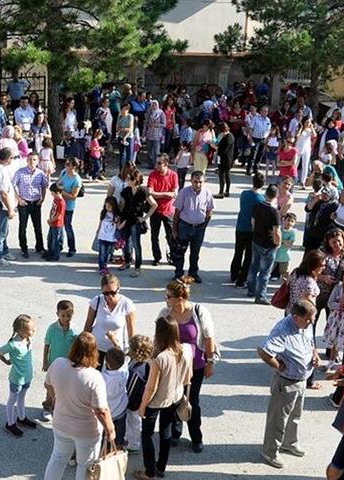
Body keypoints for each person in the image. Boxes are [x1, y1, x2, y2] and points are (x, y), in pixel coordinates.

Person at [42, 332, 115, 480]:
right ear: (94, 352)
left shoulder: (58, 363)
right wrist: (110, 430)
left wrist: (57, 399)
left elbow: (47, 385)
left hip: (61, 423)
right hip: (86, 431)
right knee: (85, 465)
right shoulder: (94, 377)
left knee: (58, 458)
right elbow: (101, 410)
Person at [258, 299, 319, 469]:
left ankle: (289, 443)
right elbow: (263, 351)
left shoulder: (306, 324)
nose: (311, 322)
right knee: (278, 419)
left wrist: (315, 355)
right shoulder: (282, 330)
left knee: (295, 416)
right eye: (308, 319)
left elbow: (310, 342)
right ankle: (270, 451)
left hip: (302, 380)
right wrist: (278, 366)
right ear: (295, 316)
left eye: (312, 318)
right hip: (286, 382)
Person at [159, 278, 217, 453]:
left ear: (180, 297)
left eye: (168, 296)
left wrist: (210, 362)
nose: (165, 299)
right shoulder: (165, 313)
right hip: (173, 366)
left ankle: (196, 436)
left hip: (196, 366)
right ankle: (175, 433)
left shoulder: (199, 312)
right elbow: (159, 337)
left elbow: (208, 338)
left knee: (192, 401)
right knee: (174, 399)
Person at [134, 316, 194, 480]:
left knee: (147, 435)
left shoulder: (159, 358)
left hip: (156, 401)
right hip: (174, 397)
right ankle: (161, 467)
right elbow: (188, 377)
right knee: (165, 431)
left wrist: (142, 407)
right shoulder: (186, 350)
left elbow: (151, 387)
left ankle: (149, 472)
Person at [0, 314, 36, 437]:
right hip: (17, 379)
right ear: (21, 331)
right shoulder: (13, 344)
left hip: (27, 376)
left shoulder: (28, 340)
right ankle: (10, 423)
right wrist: (7, 361)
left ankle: (21, 418)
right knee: (12, 401)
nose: (34, 330)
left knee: (22, 398)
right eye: (31, 329)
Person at [83, 274, 137, 366]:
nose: (109, 296)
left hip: (117, 350)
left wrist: (133, 352)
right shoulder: (97, 301)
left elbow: (131, 331)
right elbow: (87, 327)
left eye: (113, 293)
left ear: (118, 289)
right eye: (106, 293)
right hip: (97, 349)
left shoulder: (127, 304)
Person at [172, 170, 214, 283]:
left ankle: (193, 273)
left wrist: (204, 225)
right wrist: (174, 229)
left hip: (199, 228)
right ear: (191, 181)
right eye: (195, 182)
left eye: (200, 182)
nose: (198, 184)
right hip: (184, 227)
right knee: (180, 252)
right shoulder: (184, 193)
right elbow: (177, 212)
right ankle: (179, 274)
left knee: (195, 253)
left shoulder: (207, 193)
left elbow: (210, 210)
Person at [42, 300, 77, 419]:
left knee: (65, 387)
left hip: (68, 364)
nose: (66, 318)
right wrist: (45, 362)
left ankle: (60, 409)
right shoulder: (52, 328)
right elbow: (47, 345)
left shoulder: (74, 330)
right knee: (51, 386)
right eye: (63, 315)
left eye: (69, 316)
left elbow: (77, 346)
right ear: (57, 314)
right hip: (53, 364)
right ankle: (47, 407)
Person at [231, 172, 265, 287]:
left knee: (238, 252)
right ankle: (242, 278)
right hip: (252, 230)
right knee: (249, 256)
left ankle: (234, 274)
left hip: (240, 226)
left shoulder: (244, 194)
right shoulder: (261, 199)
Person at [249, 184, 281, 304]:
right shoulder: (274, 212)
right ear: (276, 196)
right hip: (268, 244)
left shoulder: (257, 206)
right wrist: (277, 243)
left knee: (254, 266)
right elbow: (276, 231)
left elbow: (253, 222)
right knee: (265, 271)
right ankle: (260, 296)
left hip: (257, 239)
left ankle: (251, 289)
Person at [13, 153, 48, 259]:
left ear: (38, 161)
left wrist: (42, 199)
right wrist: (18, 199)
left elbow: (44, 186)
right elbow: (13, 185)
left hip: (36, 202)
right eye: (30, 159)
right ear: (26, 160)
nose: (32, 162)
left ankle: (40, 247)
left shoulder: (40, 173)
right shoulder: (20, 172)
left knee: (37, 226)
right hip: (24, 203)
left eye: (34, 160)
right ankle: (24, 248)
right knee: (23, 226)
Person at [147, 154, 179, 267]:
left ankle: (173, 257)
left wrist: (158, 194)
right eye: (157, 163)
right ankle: (156, 257)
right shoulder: (152, 175)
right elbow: (150, 193)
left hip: (169, 211)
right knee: (154, 236)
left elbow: (174, 194)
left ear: (166, 164)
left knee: (171, 235)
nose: (157, 165)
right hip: (155, 210)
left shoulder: (173, 175)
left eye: (159, 163)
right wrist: (166, 194)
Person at [0, 148, 18, 266]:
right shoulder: (0, 171)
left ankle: (4, 250)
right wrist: (10, 209)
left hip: (1, 203)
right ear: (7, 158)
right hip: (2, 205)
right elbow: (3, 193)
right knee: (1, 231)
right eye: (11, 157)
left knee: (4, 230)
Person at [101, 347, 128, 447]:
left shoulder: (102, 378)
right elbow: (125, 362)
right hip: (121, 410)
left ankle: (106, 449)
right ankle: (119, 446)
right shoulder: (124, 373)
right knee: (120, 433)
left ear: (107, 363)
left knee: (106, 434)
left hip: (108, 413)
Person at [59, 158, 83, 257]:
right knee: (58, 225)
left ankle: (72, 248)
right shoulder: (64, 172)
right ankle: (58, 245)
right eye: (66, 164)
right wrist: (58, 188)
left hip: (68, 206)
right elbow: (58, 183)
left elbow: (73, 196)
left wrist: (61, 191)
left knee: (67, 226)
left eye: (69, 165)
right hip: (60, 203)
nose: (67, 166)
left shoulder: (76, 179)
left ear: (74, 166)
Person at [44, 184, 66, 262]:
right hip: (52, 222)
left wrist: (51, 220)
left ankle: (55, 255)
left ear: (57, 193)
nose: (51, 194)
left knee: (56, 241)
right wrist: (50, 218)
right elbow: (52, 210)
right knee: (50, 239)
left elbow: (59, 215)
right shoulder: (55, 200)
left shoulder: (61, 202)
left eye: (52, 192)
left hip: (57, 224)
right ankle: (50, 252)